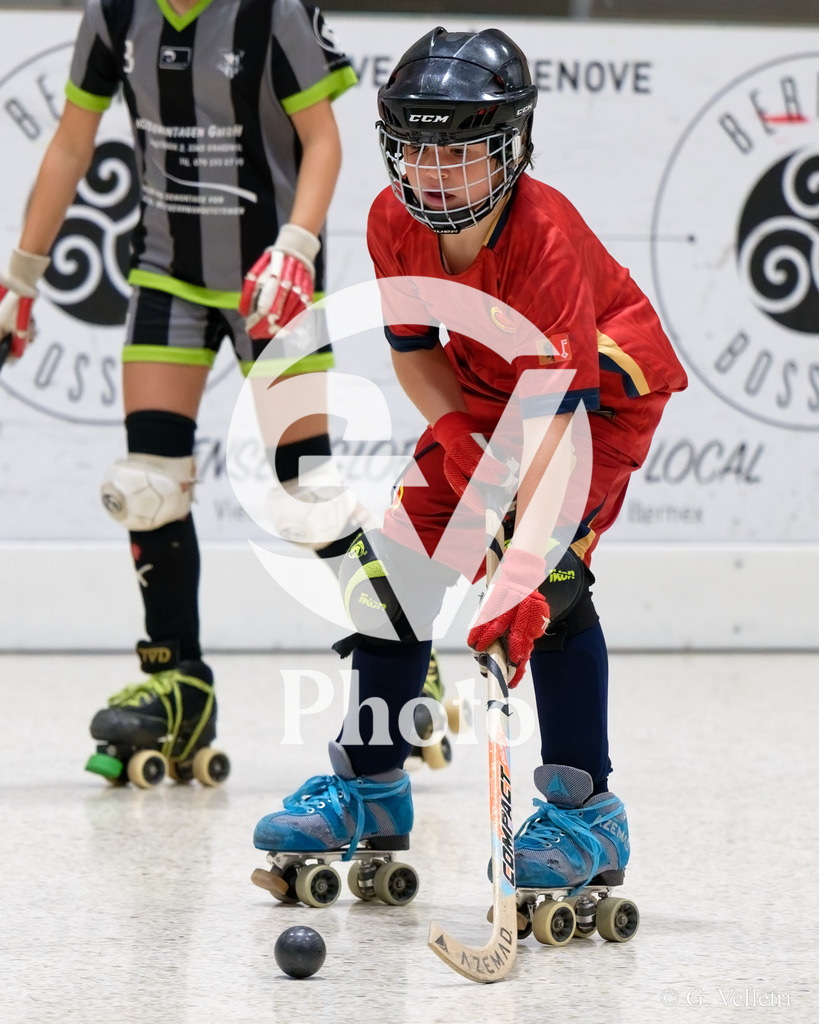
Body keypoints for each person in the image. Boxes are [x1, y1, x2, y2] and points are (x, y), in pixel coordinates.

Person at [252, 25, 688, 898]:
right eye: (414, 149)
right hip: (485, 390)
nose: (434, 172)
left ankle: (585, 810)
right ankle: (369, 785)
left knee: (549, 586)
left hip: (597, 392)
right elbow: (414, 347)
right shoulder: (390, 220)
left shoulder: (546, 237)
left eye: (459, 151)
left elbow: (557, 423)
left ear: (512, 147)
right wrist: (455, 436)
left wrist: (521, 566)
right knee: (393, 576)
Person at [0, 0, 373, 787]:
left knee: (306, 490)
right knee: (147, 486)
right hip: (168, 273)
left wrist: (298, 248)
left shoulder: (271, 12)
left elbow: (323, 142)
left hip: (273, 273)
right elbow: (72, 143)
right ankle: (179, 683)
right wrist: (20, 281)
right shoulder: (114, 13)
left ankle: (395, 648)